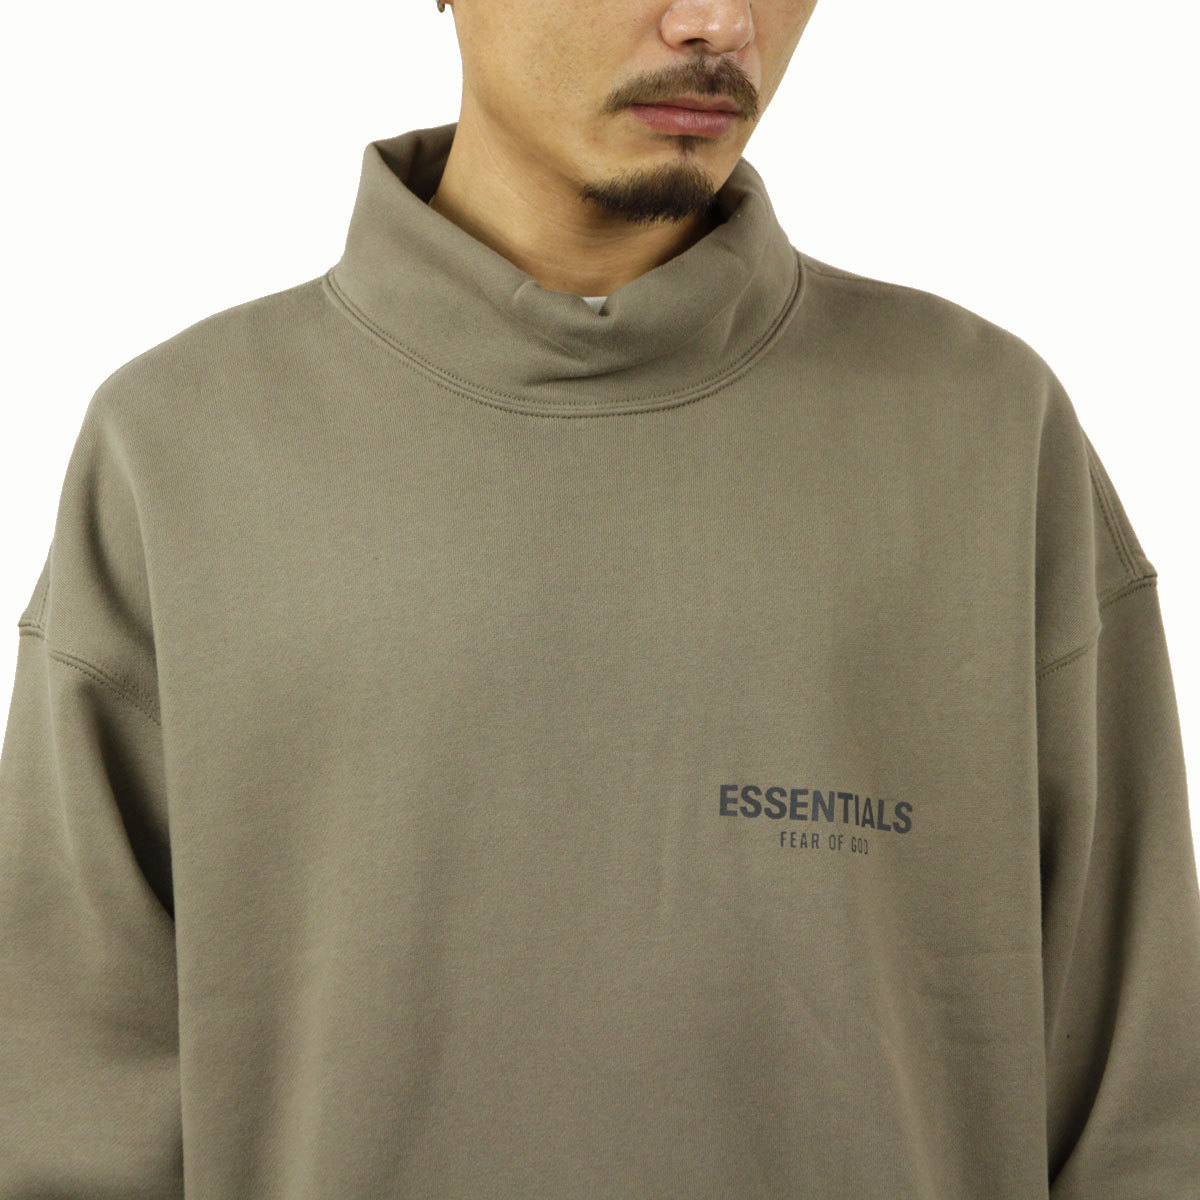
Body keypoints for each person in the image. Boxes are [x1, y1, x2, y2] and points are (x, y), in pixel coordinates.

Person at [1, 0, 1197, 1195]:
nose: (718, 23)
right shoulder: (178, 452)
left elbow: (1142, 1111)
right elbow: (66, 1112)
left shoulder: (987, 432)